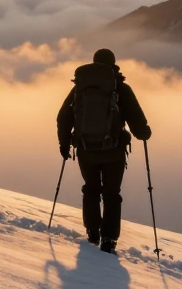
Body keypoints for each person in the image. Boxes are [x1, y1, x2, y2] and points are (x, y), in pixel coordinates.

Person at [56, 48, 151, 254]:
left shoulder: (80, 89)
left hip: (85, 150)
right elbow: (136, 120)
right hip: (113, 152)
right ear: (114, 65)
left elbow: (63, 117)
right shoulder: (120, 88)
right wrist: (144, 133)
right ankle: (108, 239)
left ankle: (92, 230)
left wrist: (64, 144)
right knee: (111, 194)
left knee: (91, 188)